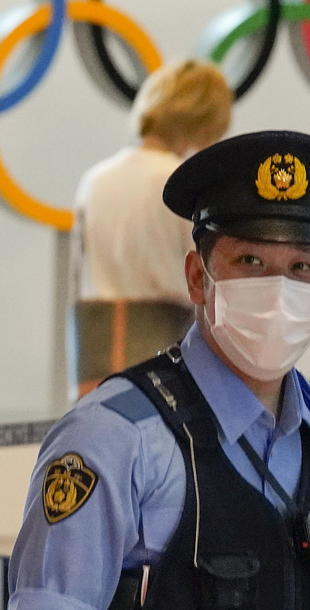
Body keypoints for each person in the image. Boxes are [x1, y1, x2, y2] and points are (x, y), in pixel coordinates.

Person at [11, 130, 310, 609]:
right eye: (250, 260)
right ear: (198, 277)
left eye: (302, 267)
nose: (278, 290)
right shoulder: (114, 439)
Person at [69, 59, 233, 394]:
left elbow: (77, 275)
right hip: (165, 348)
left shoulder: (95, 180)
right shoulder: (180, 183)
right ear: (204, 120)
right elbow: (205, 274)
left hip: (97, 353)